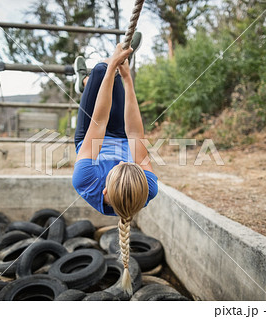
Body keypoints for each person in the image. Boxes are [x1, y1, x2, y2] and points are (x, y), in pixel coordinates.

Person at [71, 33, 158, 295]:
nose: (122, 161)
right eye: (127, 164)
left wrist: (111, 67)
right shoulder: (149, 186)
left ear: (104, 191)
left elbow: (98, 123)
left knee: (100, 71)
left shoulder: (86, 179)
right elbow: (134, 134)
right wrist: (128, 79)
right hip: (121, 134)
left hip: (91, 136)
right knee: (117, 77)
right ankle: (91, 80)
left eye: (119, 166)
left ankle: (86, 82)